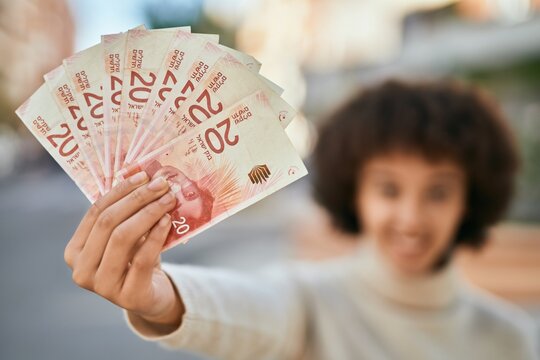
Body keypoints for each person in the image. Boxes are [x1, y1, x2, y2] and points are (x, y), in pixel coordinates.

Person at [64, 80, 539, 359]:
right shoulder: (309, 300)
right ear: (353, 191)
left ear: (470, 199)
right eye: (388, 189)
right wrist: (155, 297)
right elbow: (249, 305)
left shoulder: (514, 339)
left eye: (438, 192)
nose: (411, 218)